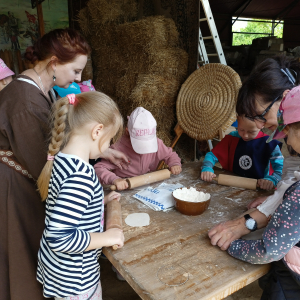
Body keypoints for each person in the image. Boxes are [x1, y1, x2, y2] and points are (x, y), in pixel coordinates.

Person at [0, 28, 128, 300]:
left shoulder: (44, 91)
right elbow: (40, 161)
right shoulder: (23, 100)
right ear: (54, 63)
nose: (79, 78)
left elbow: (61, 148)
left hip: (62, 267)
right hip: (17, 188)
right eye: (76, 70)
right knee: (21, 258)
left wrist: (102, 153)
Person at [37, 92, 125, 299]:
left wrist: (98, 201)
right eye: (110, 139)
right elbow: (59, 238)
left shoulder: (61, 159)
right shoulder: (81, 176)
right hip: (76, 281)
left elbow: (66, 203)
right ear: (97, 131)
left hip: (57, 270)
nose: (109, 145)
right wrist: (106, 237)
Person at [208, 56, 300, 252]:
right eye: (253, 118)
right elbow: (292, 180)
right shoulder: (288, 134)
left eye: (261, 115)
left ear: (284, 98)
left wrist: (245, 223)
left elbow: (296, 193)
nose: (259, 125)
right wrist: (275, 199)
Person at [227, 86, 300, 298]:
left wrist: (233, 244)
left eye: (287, 129)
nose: (284, 134)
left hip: (291, 281)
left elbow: (269, 250)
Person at [95, 107, 182, 190]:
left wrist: (175, 164)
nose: (144, 150)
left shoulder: (158, 143)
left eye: (148, 144)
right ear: (127, 132)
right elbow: (98, 169)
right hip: (125, 185)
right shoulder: (118, 149)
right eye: (140, 144)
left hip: (146, 183)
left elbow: (170, 155)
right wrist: (114, 179)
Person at [201, 115, 283, 190]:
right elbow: (211, 155)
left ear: (262, 125)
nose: (245, 135)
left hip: (258, 190)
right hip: (230, 187)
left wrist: (272, 179)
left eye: (251, 132)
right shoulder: (232, 138)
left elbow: (280, 169)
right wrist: (207, 167)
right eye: (241, 129)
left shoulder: (270, 144)